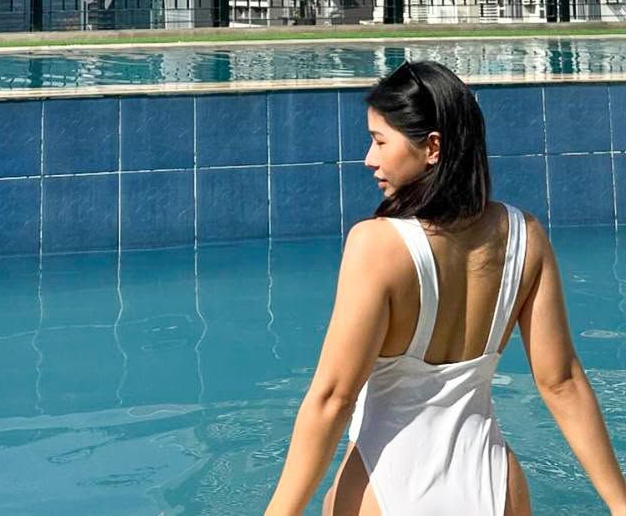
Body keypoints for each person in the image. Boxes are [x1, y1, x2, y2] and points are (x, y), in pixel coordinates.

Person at [262, 59, 626, 516]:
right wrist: (620, 502)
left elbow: (334, 398)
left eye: (379, 141)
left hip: (389, 483)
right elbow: (562, 382)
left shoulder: (377, 245)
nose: (368, 158)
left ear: (432, 147)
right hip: (495, 484)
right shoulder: (525, 235)